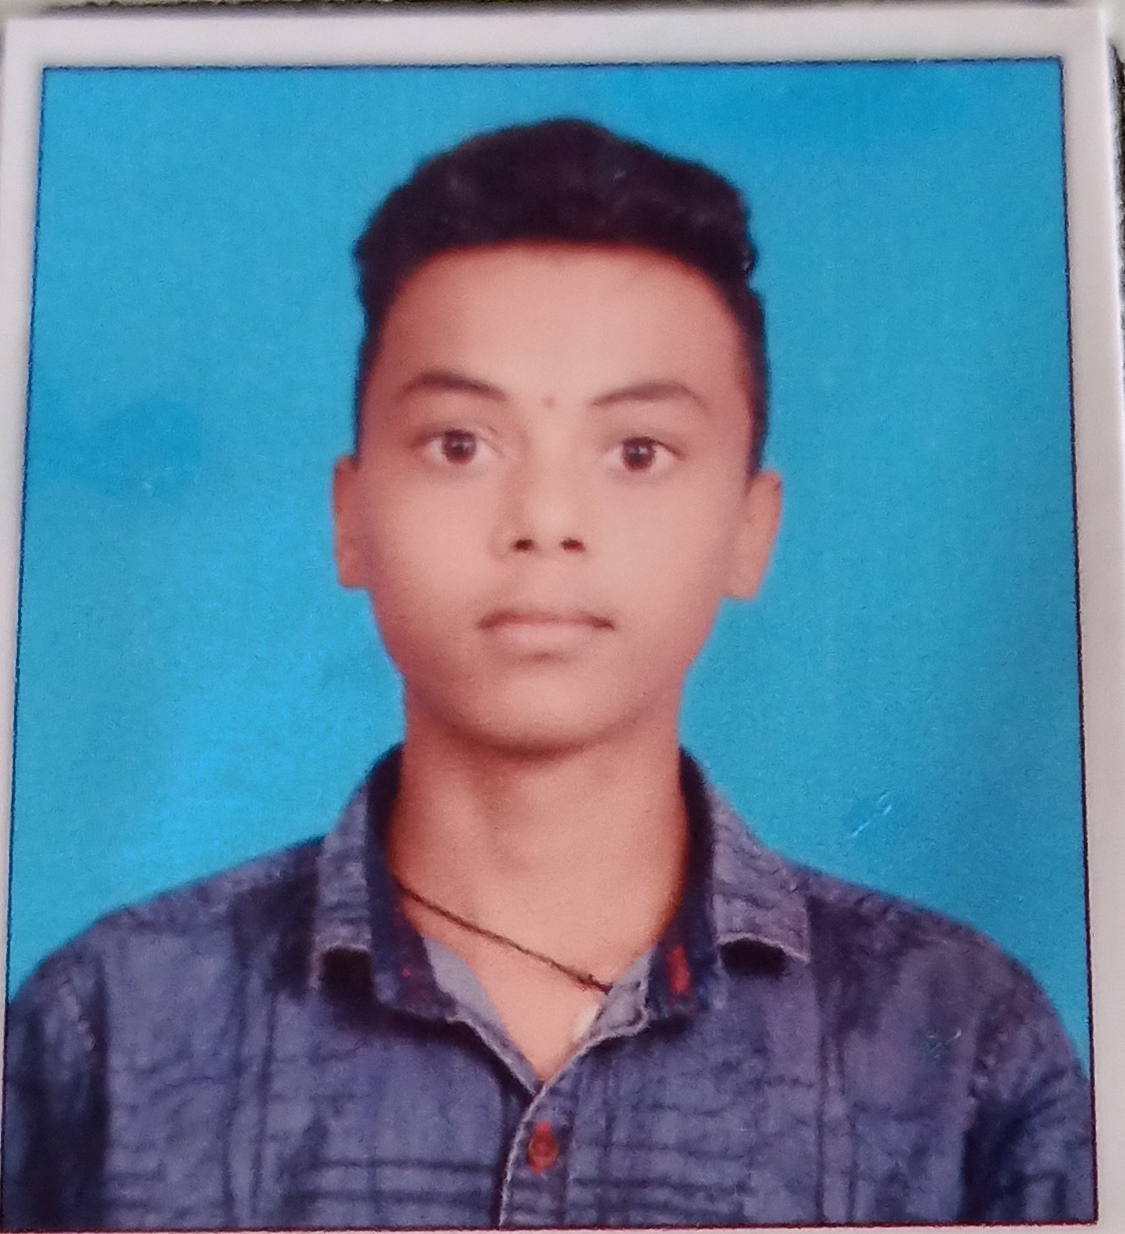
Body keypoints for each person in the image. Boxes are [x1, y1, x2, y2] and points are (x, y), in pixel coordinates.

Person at [1, 118, 1093, 1230]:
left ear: (749, 530)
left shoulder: (963, 1052)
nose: (546, 520)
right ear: (350, 515)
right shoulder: (110, 1033)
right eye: (461, 444)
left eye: (636, 452)